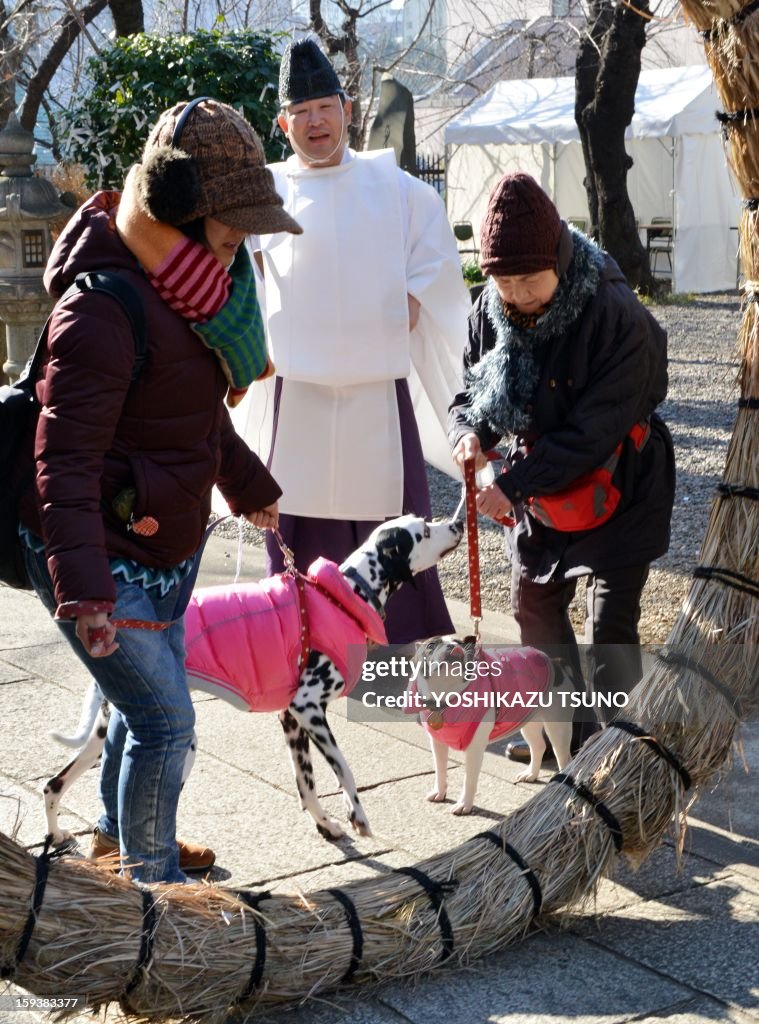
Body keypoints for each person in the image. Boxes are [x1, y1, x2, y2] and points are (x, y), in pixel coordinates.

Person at [14, 99, 301, 883]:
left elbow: (191, 411)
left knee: (138, 716)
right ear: (176, 207)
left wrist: (248, 485)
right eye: (229, 224)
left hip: (163, 547)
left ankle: (119, 840)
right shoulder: (104, 307)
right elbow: (62, 465)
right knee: (166, 724)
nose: (240, 243)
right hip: (103, 557)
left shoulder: (192, 293)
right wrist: (86, 594)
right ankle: (149, 884)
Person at [237, 37, 471, 645]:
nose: (315, 122)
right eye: (301, 112)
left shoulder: (398, 189)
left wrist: (411, 299)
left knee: (393, 528)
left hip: (377, 396)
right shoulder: (261, 195)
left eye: (325, 107)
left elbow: (438, 264)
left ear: (347, 109)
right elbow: (236, 277)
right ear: (282, 123)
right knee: (297, 529)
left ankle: (404, 656)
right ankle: (298, 645)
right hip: (300, 396)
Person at [449, 173, 675, 757]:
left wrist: (515, 483)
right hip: (543, 488)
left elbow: (591, 433)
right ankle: (563, 736)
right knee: (535, 606)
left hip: (621, 476)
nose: (518, 296)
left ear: (559, 258)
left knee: (611, 625)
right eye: (504, 282)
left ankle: (618, 751)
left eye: (529, 280)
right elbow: (471, 393)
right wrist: (470, 434)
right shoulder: (491, 309)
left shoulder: (611, 309)